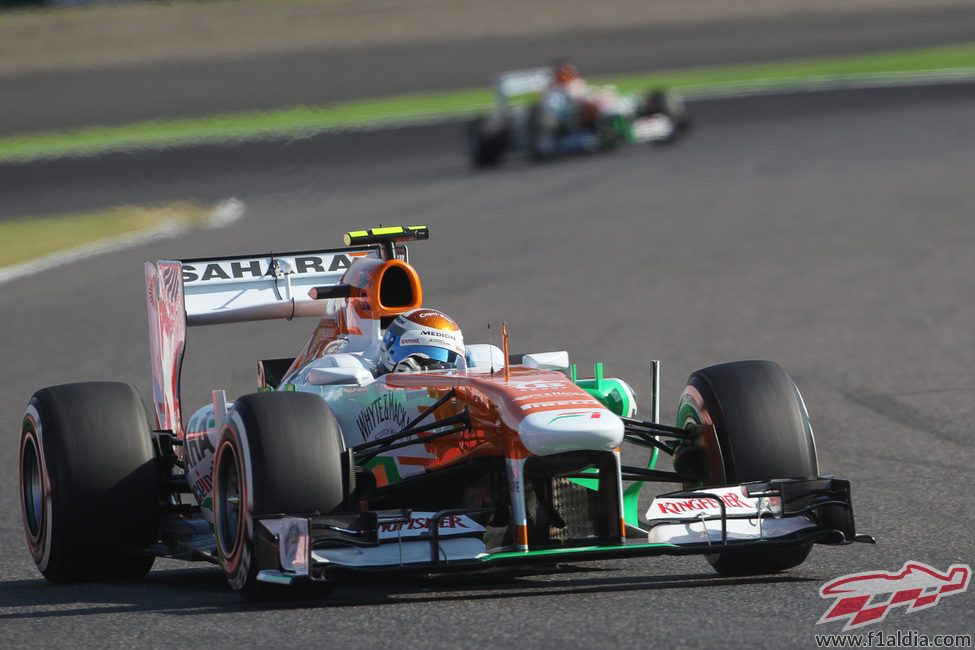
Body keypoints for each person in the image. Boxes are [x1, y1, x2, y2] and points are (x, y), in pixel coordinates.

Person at [378, 308, 466, 373]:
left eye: (438, 359)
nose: (417, 368)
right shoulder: (366, 377)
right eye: (412, 353)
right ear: (390, 346)